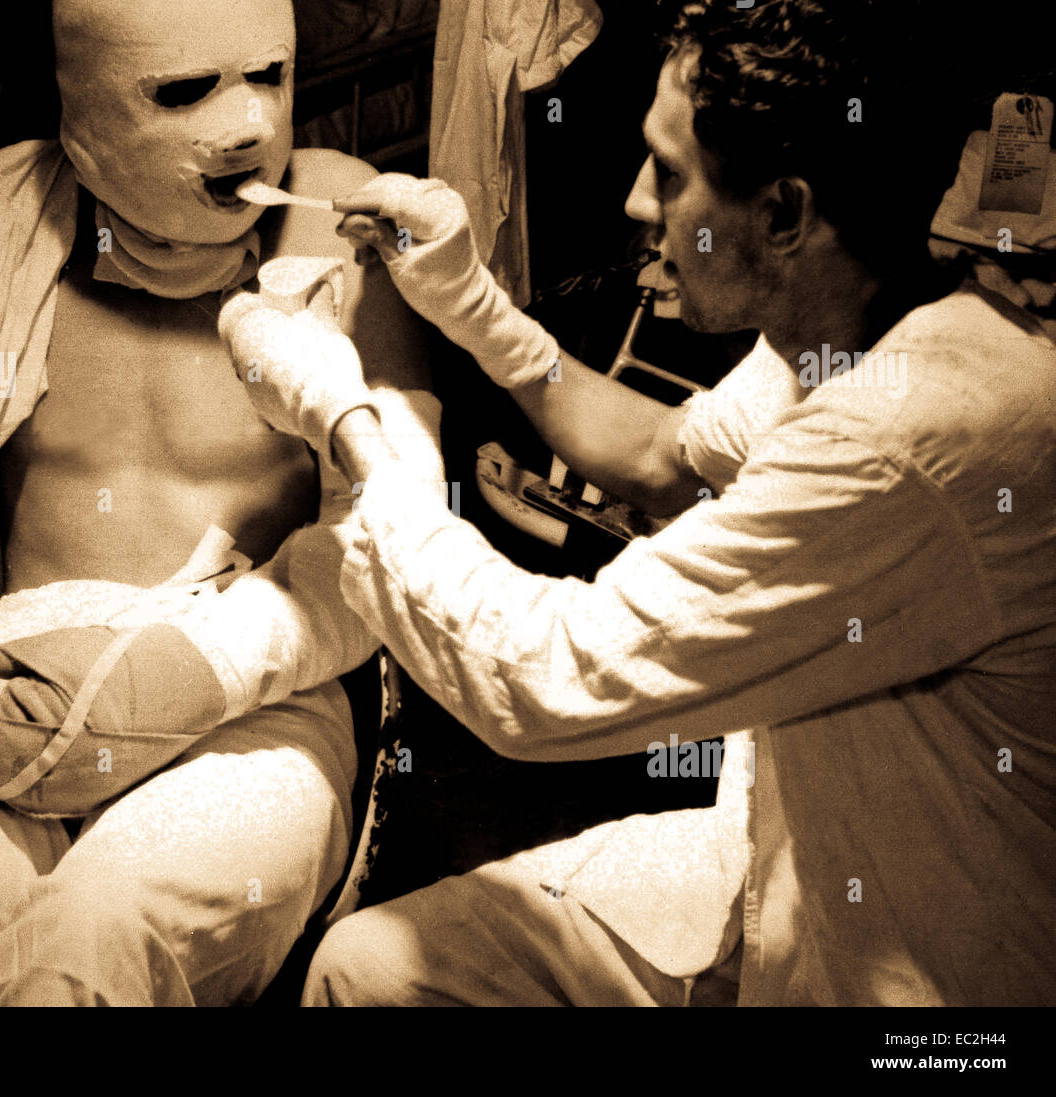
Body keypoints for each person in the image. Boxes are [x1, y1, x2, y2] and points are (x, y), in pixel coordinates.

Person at [220, 0, 1056, 1005]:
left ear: (785, 213)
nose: (632, 202)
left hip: (931, 989)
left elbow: (539, 677)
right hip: (788, 850)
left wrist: (346, 416)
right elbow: (665, 454)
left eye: (667, 173)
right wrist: (473, 306)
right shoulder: (853, 319)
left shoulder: (908, 436)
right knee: (371, 968)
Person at [0, 0, 434, 1006]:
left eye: (268, 75)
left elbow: (401, 526)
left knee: (92, 944)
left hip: (260, 693)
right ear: (85, 107)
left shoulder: (341, 224)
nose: (248, 123)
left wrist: (196, 671)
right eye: (184, 90)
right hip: (6, 672)